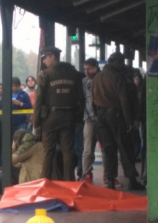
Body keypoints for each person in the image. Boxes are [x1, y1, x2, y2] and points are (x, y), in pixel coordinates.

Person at [92, 52, 143, 190]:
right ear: (115, 62)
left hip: (101, 117)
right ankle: (132, 180)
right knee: (125, 149)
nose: (122, 65)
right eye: (121, 62)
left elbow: (92, 101)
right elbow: (124, 100)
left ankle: (110, 181)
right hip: (116, 116)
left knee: (108, 149)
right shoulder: (117, 76)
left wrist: (98, 116)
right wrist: (129, 122)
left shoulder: (97, 77)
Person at [34, 46, 84, 181]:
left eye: (45, 58)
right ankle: (69, 182)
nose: (44, 62)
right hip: (69, 117)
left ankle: (45, 181)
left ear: (52, 57)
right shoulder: (73, 73)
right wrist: (79, 118)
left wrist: (36, 122)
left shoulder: (45, 74)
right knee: (68, 151)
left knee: (48, 151)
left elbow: (39, 99)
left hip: (50, 118)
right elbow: (81, 97)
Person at [0, 130, 44, 201]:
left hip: (34, 178)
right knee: (8, 172)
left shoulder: (28, 146)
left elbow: (10, 160)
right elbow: (17, 164)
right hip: (35, 175)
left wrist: (13, 148)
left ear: (17, 142)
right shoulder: (34, 143)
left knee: (8, 171)